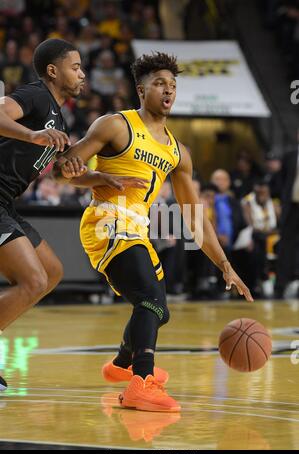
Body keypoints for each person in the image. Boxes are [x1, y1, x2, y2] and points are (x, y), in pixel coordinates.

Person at [55, 52, 253, 412]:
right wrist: (98, 177)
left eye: (173, 85)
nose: (168, 90)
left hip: (138, 230)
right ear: (141, 89)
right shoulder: (116, 125)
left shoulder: (179, 152)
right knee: (151, 299)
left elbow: (194, 216)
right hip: (107, 221)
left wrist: (225, 264)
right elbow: (61, 170)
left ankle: (120, 365)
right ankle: (140, 382)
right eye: (160, 83)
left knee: (160, 311)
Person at [0, 38, 146, 391]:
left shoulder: (58, 116)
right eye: (76, 67)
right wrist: (33, 134)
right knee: (33, 280)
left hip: (6, 203)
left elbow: (61, 172)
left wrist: (101, 178)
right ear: (53, 71)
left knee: (51, 273)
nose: (83, 73)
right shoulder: (35, 96)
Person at [274, 144, 299, 298]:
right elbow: (280, 181)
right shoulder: (289, 155)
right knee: (286, 246)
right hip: (292, 207)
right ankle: (281, 284)